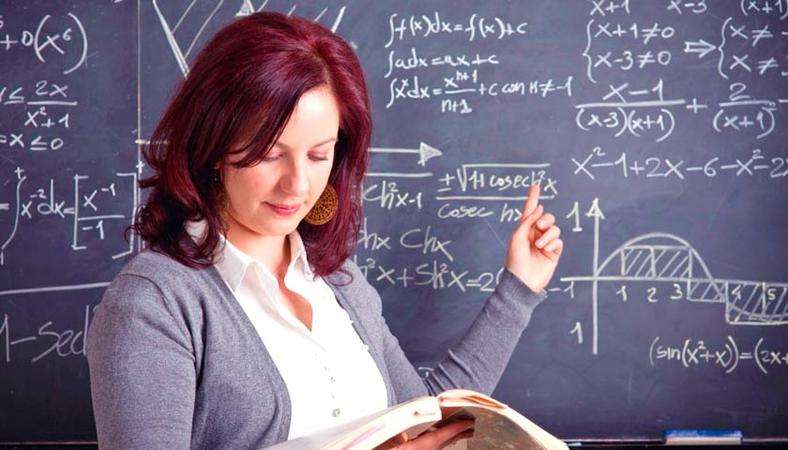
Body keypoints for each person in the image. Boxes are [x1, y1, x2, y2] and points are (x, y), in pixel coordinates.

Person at [86, 11, 563, 450]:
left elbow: (427, 421)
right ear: (213, 147)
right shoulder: (155, 301)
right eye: (270, 154)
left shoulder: (339, 283)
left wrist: (519, 289)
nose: (297, 184)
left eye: (318, 155)